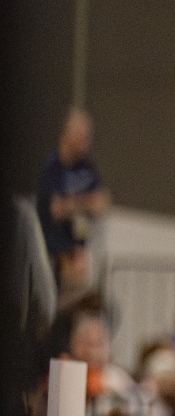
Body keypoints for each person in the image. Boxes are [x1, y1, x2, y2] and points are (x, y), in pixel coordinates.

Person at [39, 105, 109, 296]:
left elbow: (103, 202)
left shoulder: (86, 167)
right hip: (56, 254)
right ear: (68, 135)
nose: (86, 144)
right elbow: (56, 209)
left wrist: (74, 203)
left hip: (79, 251)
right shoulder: (52, 167)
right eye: (82, 138)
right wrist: (85, 203)